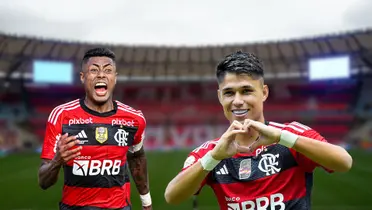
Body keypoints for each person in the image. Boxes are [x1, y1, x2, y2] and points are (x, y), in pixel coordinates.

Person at [164, 51, 353, 210]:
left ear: (264, 93)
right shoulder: (212, 151)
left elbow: (343, 162)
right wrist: (213, 157)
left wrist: (282, 138)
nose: (237, 101)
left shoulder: (290, 134)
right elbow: (172, 196)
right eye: (229, 92)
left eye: (246, 91)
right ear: (220, 96)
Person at [38, 48, 152, 210]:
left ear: (115, 78)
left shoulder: (134, 119)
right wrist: (58, 160)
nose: (101, 75)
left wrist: (146, 202)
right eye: (93, 70)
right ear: (83, 77)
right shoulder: (61, 115)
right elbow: (43, 182)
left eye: (108, 70)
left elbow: (137, 157)